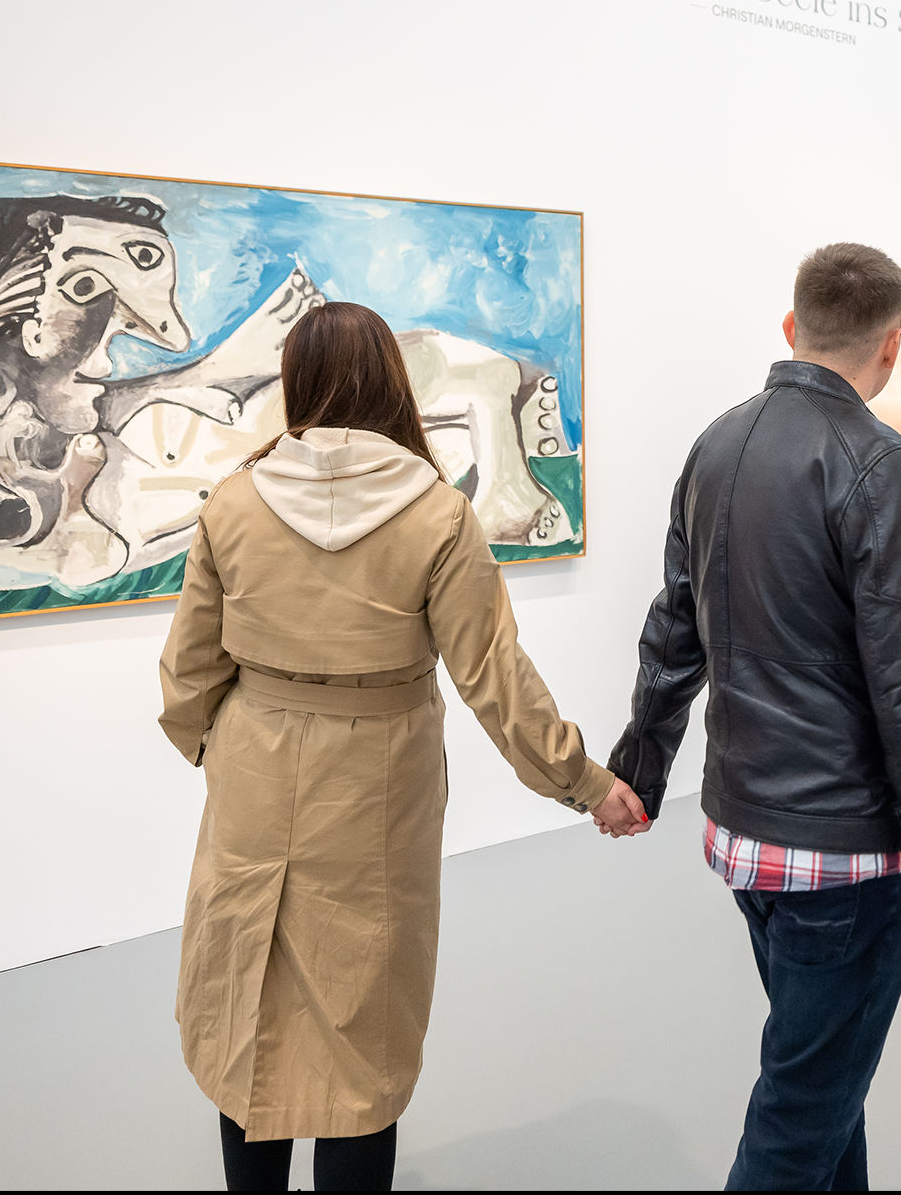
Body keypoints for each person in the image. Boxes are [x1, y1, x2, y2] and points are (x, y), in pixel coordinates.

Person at [157, 301, 648, 1192]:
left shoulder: (233, 503)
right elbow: (496, 679)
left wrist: (213, 748)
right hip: (377, 785)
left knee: (247, 1019)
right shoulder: (438, 513)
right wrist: (584, 782)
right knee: (364, 1035)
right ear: (393, 380)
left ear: (296, 382)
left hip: (255, 774)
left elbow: (189, 669)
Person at [603, 242, 901, 1192]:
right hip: (844, 859)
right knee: (799, 1123)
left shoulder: (715, 446)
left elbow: (674, 631)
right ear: (893, 345)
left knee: (828, 1088)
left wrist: (641, 770)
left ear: (791, 327)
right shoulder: (882, 466)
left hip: (747, 841)